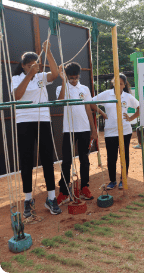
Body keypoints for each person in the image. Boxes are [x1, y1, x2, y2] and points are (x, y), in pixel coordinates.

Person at [11, 41, 62, 217]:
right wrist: (29, 75)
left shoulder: (41, 77)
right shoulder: (17, 78)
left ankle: (51, 197)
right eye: (29, 65)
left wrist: (48, 52)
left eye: (35, 65)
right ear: (23, 66)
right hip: (25, 122)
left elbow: (55, 74)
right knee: (26, 161)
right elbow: (17, 96)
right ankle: (27, 199)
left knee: (48, 159)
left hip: (43, 120)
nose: (33, 67)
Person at [56, 62, 104, 205]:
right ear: (66, 76)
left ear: (79, 76)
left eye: (76, 78)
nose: (74, 80)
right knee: (66, 161)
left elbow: (88, 108)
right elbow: (60, 101)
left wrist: (94, 130)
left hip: (84, 129)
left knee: (84, 160)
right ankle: (64, 192)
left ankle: (84, 187)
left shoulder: (84, 88)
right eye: (71, 78)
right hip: (69, 130)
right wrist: (64, 81)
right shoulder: (62, 87)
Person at [92, 74, 139, 190]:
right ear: (113, 83)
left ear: (124, 85)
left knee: (124, 155)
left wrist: (131, 118)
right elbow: (90, 102)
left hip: (125, 131)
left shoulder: (128, 96)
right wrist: (102, 113)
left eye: (121, 84)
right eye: (116, 83)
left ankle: (123, 180)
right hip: (110, 131)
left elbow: (140, 107)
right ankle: (112, 181)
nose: (119, 86)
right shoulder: (107, 94)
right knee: (111, 157)